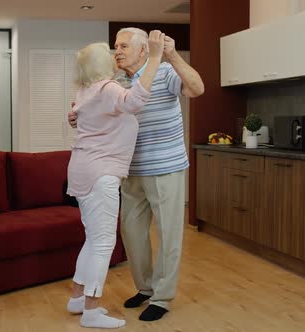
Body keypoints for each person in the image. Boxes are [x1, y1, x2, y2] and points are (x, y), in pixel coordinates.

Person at [68, 27, 205, 322]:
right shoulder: (115, 81)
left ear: (144, 50)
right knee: (131, 233)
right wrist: (77, 115)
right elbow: (96, 109)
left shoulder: (165, 71)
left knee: (169, 235)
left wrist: (171, 55)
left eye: (123, 46)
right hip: (129, 169)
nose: (116, 51)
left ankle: (163, 297)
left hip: (166, 166)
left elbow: (196, 89)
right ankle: (144, 288)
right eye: (115, 46)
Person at [65, 30, 166, 329]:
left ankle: (77, 298)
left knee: (93, 238)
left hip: (82, 170)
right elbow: (135, 103)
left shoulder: (86, 91)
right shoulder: (107, 87)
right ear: (100, 64)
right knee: (104, 242)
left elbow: (80, 117)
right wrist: (156, 58)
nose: (115, 55)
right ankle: (92, 311)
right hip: (101, 173)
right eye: (110, 52)